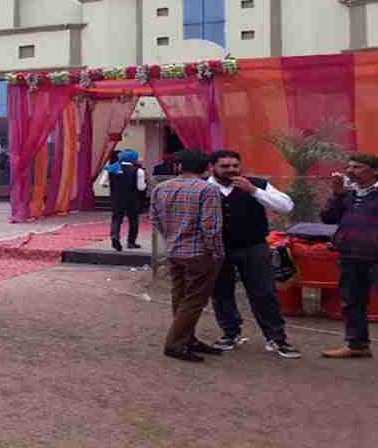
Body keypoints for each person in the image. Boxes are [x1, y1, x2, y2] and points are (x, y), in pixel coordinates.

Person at [206, 150, 301, 358]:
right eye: (225, 166)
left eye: (235, 166)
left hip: (254, 247)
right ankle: (230, 333)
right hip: (218, 249)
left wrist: (254, 191)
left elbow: (286, 207)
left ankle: (276, 338)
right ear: (212, 167)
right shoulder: (203, 187)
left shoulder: (257, 184)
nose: (231, 170)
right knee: (221, 292)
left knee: (264, 292)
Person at [150, 149, 225, 363]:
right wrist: (217, 252)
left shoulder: (161, 188)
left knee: (180, 296)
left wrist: (172, 238)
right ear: (206, 168)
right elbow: (211, 226)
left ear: (179, 166)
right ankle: (175, 344)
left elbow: (155, 220)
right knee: (194, 300)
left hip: (174, 250)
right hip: (200, 253)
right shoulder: (208, 190)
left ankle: (187, 338)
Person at [320, 153, 378, 361]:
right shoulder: (349, 194)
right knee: (352, 301)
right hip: (350, 254)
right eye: (349, 167)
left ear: (376, 170)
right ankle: (357, 345)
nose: (350, 171)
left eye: (357, 167)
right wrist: (338, 194)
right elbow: (329, 218)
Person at [99, 149, 147, 251]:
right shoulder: (138, 171)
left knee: (116, 219)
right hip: (133, 199)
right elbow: (141, 188)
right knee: (133, 220)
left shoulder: (111, 168)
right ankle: (131, 242)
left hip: (116, 198)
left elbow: (102, 183)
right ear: (132, 159)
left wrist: (113, 185)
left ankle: (115, 236)